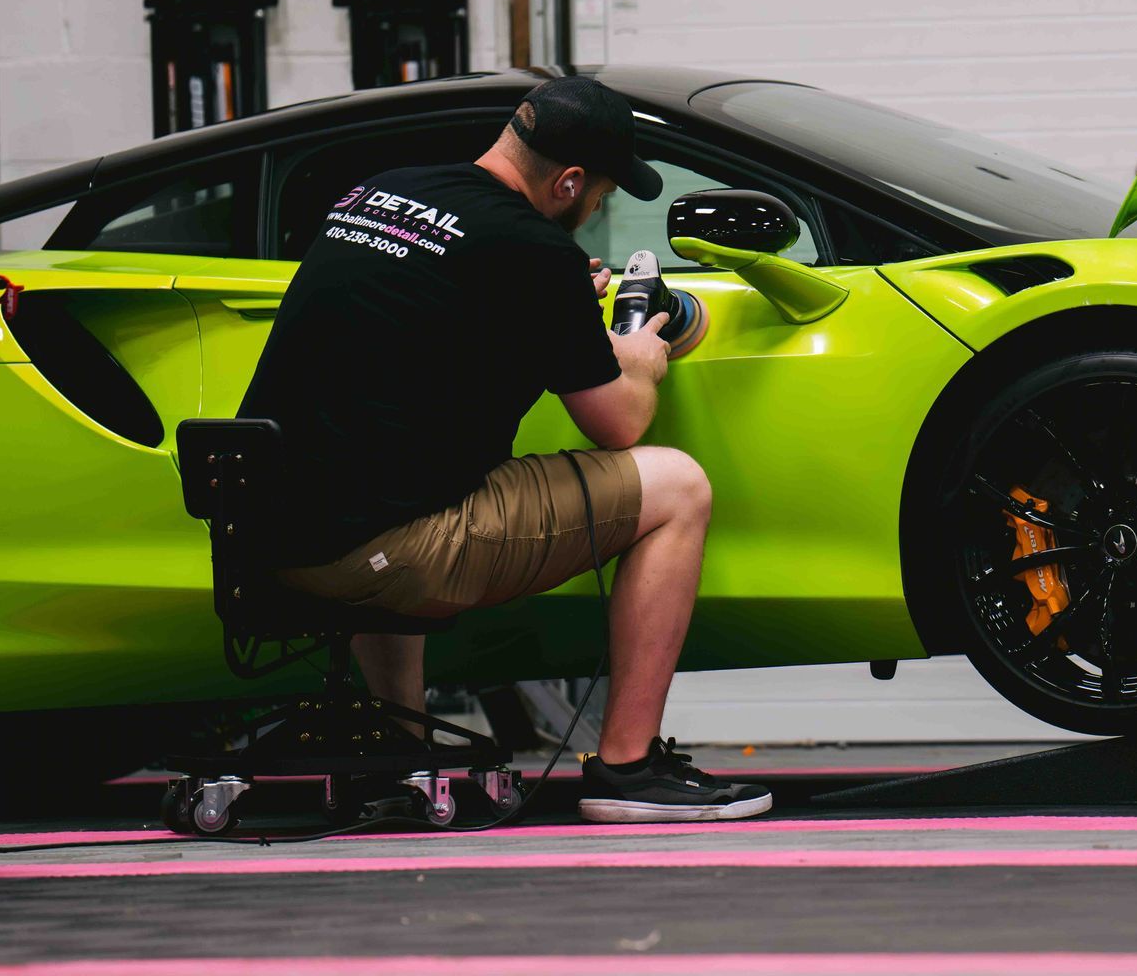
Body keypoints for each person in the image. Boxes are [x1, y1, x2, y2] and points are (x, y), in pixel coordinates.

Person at [239, 75, 770, 823]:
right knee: (678, 487)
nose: (595, 213)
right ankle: (629, 768)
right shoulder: (533, 249)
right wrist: (639, 352)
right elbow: (617, 424)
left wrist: (555, 309)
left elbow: (423, 323)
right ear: (570, 180)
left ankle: (401, 752)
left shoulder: (381, 193)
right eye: (602, 196)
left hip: (275, 538)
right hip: (393, 551)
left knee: (387, 481)